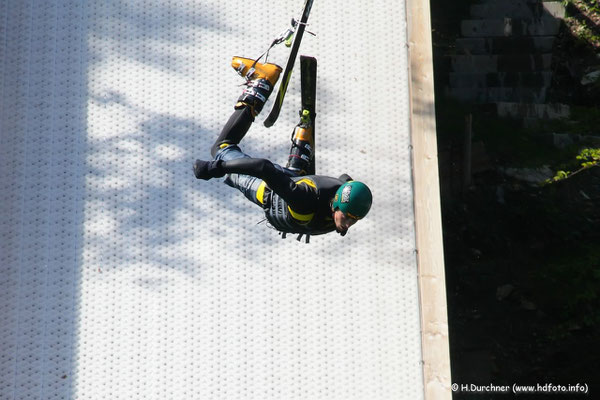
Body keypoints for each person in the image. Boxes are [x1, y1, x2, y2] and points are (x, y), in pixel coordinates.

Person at [193, 56, 372, 241]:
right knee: (220, 149)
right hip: (271, 190)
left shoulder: (338, 199)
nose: (348, 224)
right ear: (336, 203)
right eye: (348, 216)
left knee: (294, 178)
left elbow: (345, 181)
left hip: (294, 184)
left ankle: (302, 144)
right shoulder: (304, 200)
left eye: (354, 220)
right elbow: (262, 168)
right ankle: (261, 83)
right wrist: (216, 168)